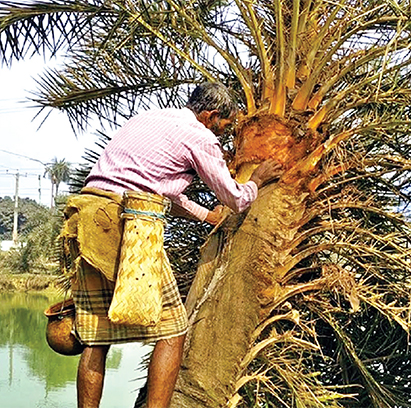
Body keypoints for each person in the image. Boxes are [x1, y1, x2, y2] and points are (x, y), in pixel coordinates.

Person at [69, 82, 282, 408]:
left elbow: (155, 189)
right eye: (224, 126)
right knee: (172, 329)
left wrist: (205, 216)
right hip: (129, 225)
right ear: (210, 116)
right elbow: (235, 199)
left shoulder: (146, 119)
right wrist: (258, 180)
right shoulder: (200, 136)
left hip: (87, 217)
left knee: (96, 338)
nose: (224, 135)